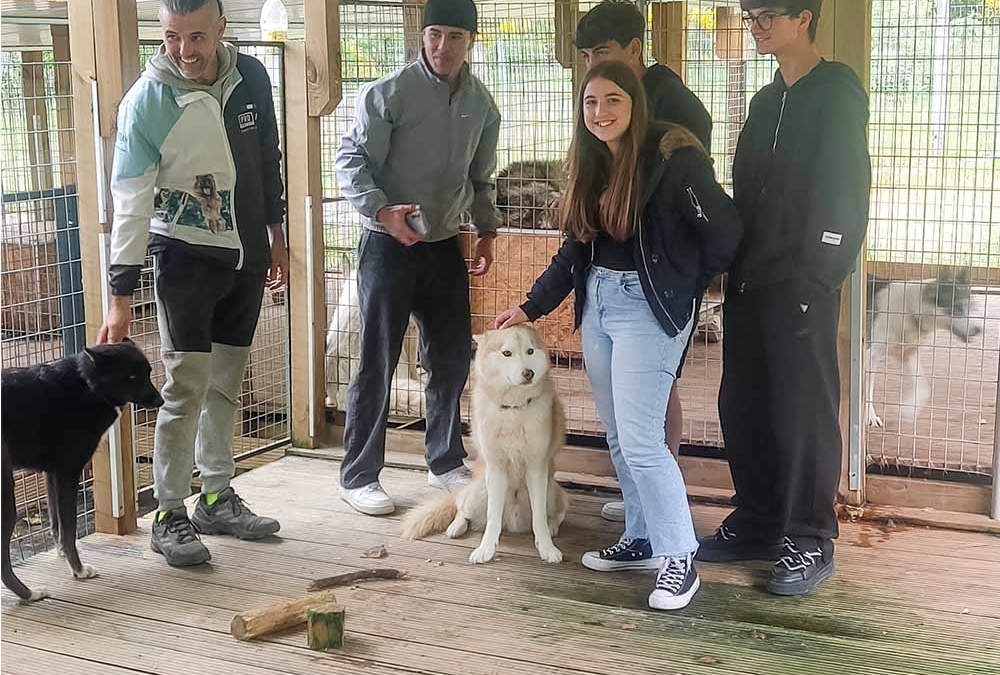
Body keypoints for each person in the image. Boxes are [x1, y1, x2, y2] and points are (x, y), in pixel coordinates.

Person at [495, 61, 742, 610]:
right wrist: (528, 306)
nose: (600, 112)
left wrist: (686, 285)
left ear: (635, 104)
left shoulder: (671, 160)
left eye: (613, 101)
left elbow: (724, 232)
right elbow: (572, 251)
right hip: (601, 306)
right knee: (617, 435)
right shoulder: (589, 164)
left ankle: (681, 557)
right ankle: (643, 536)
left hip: (648, 311)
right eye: (590, 102)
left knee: (642, 440)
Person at [100, 0, 287, 566]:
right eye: (173, 37)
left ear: (224, 29)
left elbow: (267, 159)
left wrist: (275, 233)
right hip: (185, 257)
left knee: (226, 384)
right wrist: (120, 296)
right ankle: (170, 512)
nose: (184, 51)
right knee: (185, 388)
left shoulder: (252, 76)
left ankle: (215, 496)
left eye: (198, 37)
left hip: (247, 253)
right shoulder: (146, 103)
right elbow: (130, 202)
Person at [697, 0, 871, 597]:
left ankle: (810, 536)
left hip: (801, 284)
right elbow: (745, 193)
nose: (758, 24)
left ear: (805, 18)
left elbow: (845, 190)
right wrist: (723, 263)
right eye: (751, 15)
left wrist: (818, 272)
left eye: (769, 12)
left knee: (803, 411)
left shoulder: (836, 92)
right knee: (742, 404)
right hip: (749, 282)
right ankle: (760, 519)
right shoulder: (764, 101)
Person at [334, 0, 501, 516]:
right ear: (421, 36)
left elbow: (480, 178)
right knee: (378, 359)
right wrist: (383, 212)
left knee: (450, 356)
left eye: (454, 36)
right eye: (434, 34)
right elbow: (350, 160)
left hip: (444, 244)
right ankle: (359, 475)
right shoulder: (390, 94)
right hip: (388, 244)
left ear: (471, 41)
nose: (442, 47)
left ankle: (444, 459)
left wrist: (488, 230)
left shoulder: (482, 105)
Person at [574, 0, 713, 524]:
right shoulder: (603, 98)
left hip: (662, 271)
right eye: (585, 54)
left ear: (635, 48)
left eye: (603, 51)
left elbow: (697, 176)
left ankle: (660, 494)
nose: (592, 63)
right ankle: (645, 500)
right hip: (614, 275)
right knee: (645, 395)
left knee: (658, 387)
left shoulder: (671, 96)